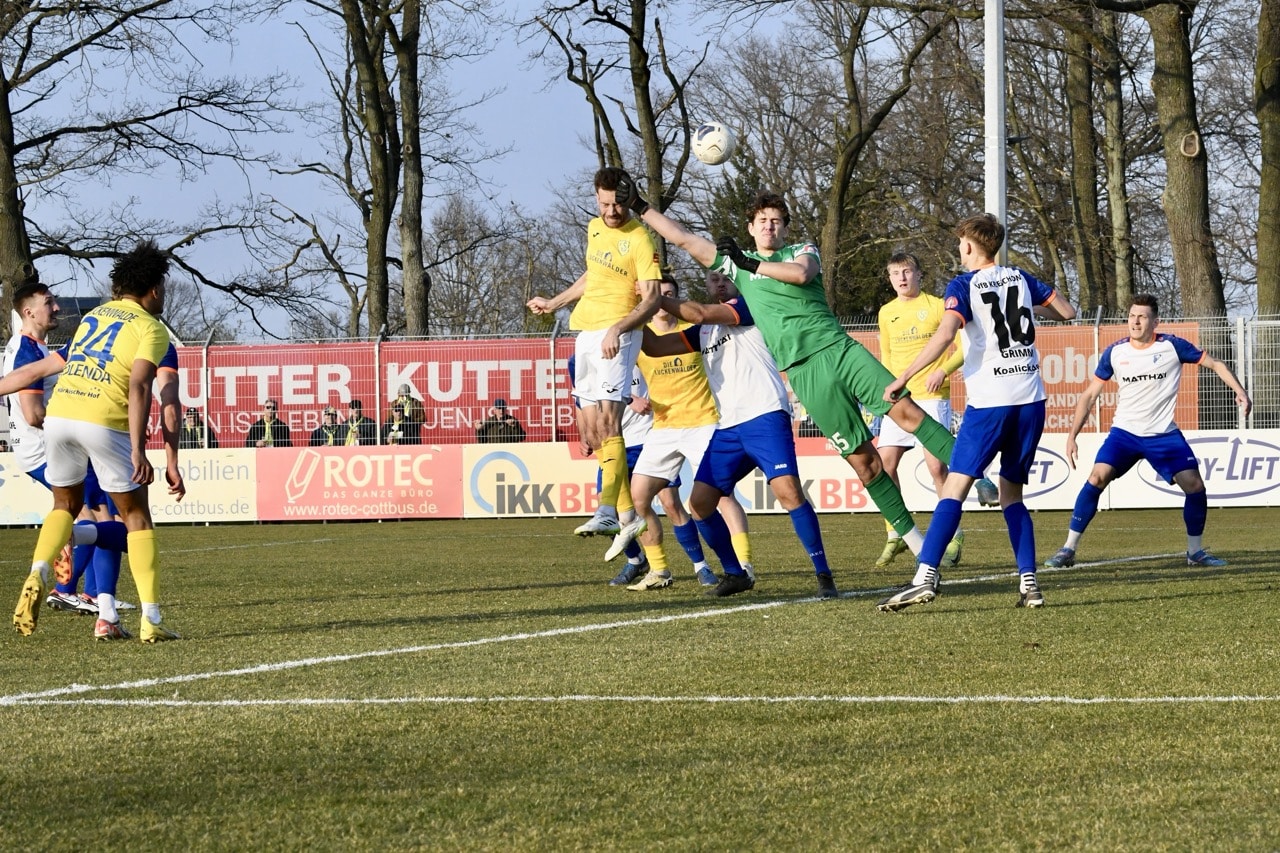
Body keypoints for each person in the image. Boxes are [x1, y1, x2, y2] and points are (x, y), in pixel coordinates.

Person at [617, 180, 952, 561]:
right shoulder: (737, 268)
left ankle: (978, 474)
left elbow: (800, 275)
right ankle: (920, 549)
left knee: (908, 413)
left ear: (785, 227)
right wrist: (642, 207)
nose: (769, 227)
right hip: (804, 375)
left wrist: (750, 264)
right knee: (865, 464)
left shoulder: (800, 251)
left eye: (776, 221)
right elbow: (685, 240)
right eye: (762, 220)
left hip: (840, 350)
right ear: (750, 227)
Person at [877, 213, 1077, 612]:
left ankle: (925, 577)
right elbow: (1068, 313)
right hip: (1031, 400)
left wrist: (905, 376)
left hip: (990, 404)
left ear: (970, 246)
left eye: (961, 244)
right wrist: (1031, 310)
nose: (959, 251)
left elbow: (947, 333)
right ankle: (1030, 584)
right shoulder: (1021, 278)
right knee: (1012, 495)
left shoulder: (963, 284)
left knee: (954, 487)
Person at [10, 240, 186, 641]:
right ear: (154, 289)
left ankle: (39, 570)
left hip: (60, 418)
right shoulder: (151, 329)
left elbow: (43, 367)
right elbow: (141, 386)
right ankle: (151, 621)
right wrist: (141, 450)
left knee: (65, 505)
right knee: (136, 519)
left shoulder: (93, 318)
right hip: (103, 422)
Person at [652, 269, 840, 598]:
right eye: (712, 279)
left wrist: (654, 297)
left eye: (724, 277)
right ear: (707, 285)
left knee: (788, 493)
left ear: (736, 281)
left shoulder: (748, 306)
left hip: (765, 416)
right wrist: (628, 316)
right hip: (727, 428)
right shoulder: (702, 331)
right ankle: (735, 574)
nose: (719, 283)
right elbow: (654, 347)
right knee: (699, 504)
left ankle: (823, 575)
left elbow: (696, 311)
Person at [1044, 294, 1251, 570]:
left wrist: (1240, 392)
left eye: (1142, 317)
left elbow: (1216, 365)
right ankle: (1067, 549)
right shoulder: (1115, 352)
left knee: (1195, 485)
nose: (1135, 321)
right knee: (1096, 477)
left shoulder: (1173, 347)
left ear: (1156, 321)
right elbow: (1089, 395)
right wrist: (1072, 436)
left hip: (1164, 435)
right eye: (1131, 316)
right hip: (1124, 434)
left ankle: (1195, 552)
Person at [526, 166, 662, 539]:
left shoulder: (640, 240)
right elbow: (591, 277)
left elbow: (652, 298)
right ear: (596, 199)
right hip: (585, 330)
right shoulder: (594, 228)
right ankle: (626, 517)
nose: (612, 211)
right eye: (605, 203)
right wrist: (554, 303)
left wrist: (618, 328)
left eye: (618, 203)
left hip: (617, 331)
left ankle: (606, 510)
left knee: (608, 422)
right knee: (590, 429)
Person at [608, 276, 750, 596]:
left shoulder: (696, 333)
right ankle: (659, 569)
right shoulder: (642, 338)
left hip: (703, 424)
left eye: (668, 295)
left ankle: (743, 564)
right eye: (657, 296)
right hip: (663, 428)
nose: (662, 301)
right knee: (638, 499)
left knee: (721, 497)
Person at [875, 251, 999, 570]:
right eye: (895, 273)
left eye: (906, 271)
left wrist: (942, 371)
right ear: (889, 279)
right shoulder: (886, 312)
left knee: (937, 469)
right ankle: (896, 532)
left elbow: (965, 348)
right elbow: (887, 357)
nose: (901, 278)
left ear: (918, 274)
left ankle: (954, 535)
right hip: (899, 400)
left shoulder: (936, 305)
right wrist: (884, 393)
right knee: (884, 466)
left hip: (931, 397)